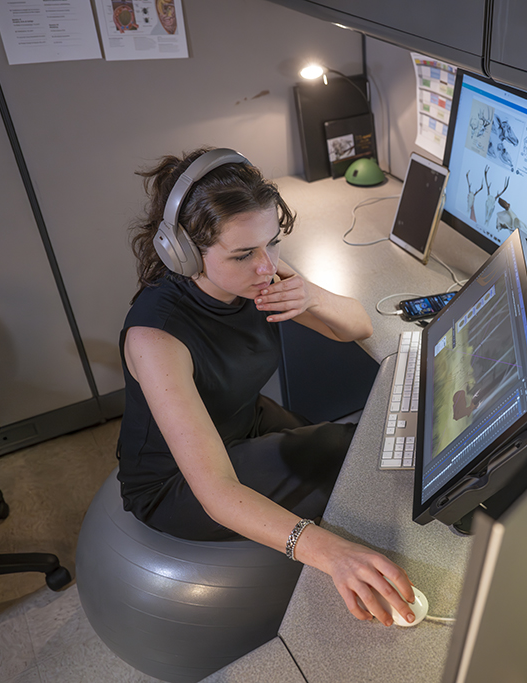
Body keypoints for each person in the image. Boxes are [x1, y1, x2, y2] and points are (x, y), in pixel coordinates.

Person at [118, 147, 416, 626]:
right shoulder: (156, 338)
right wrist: (329, 553)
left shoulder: (260, 271)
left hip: (241, 420)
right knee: (353, 463)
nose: (266, 265)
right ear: (185, 254)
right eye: (243, 254)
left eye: (272, 243)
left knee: (360, 448)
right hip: (175, 483)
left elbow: (357, 326)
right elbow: (214, 490)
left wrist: (310, 294)